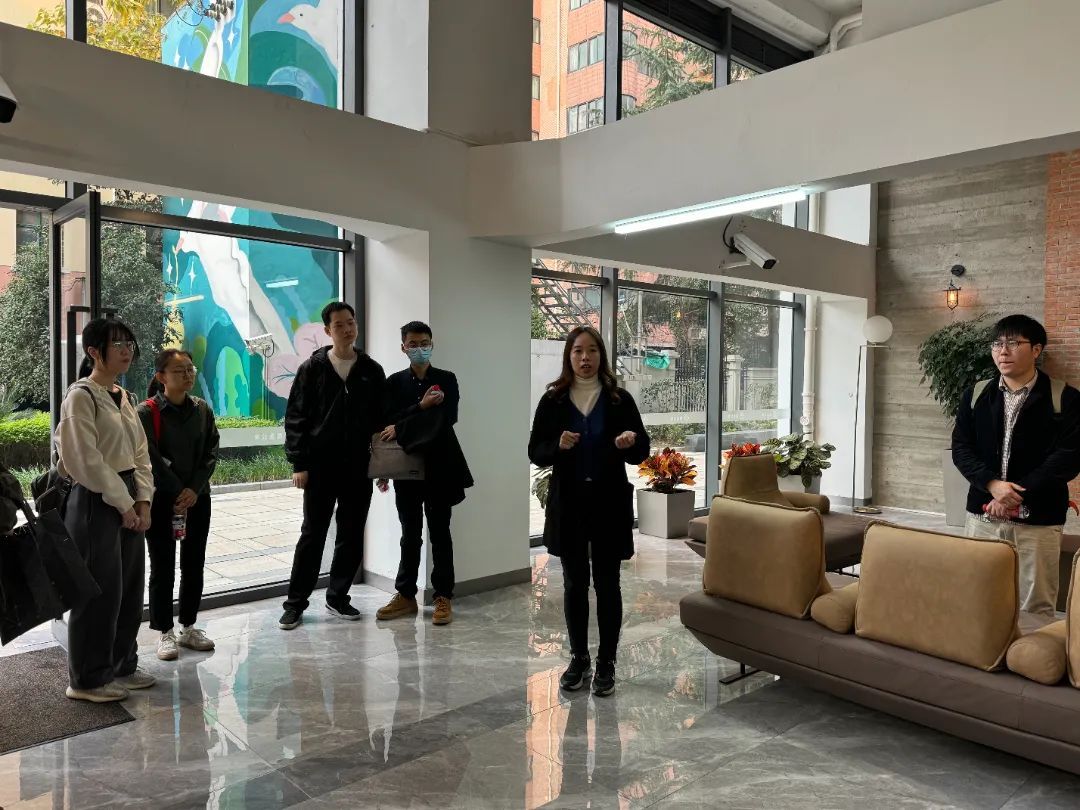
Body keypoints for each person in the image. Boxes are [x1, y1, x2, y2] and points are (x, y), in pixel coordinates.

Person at [528, 326, 649, 696]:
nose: (585, 357)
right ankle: (579, 657)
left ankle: (607, 661)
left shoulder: (618, 399)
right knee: (574, 583)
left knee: (608, 583)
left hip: (609, 502)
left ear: (601, 356)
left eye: (592, 350)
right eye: (578, 350)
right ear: (569, 356)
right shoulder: (553, 400)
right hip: (570, 503)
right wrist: (557, 445)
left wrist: (630, 442)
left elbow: (641, 449)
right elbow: (535, 451)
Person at [952, 314, 1080, 617]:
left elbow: (1069, 456)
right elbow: (962, 448)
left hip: (1038, 518)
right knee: (977, 594)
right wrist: (992, 486)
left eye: (1013, 343)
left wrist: (1014, 494)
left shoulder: (1065, 398)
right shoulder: (976, 395)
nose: (1003, 351)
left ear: (1036, 350)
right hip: (983, 515)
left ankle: (1031, 650)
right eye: (997, 344)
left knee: (1035, 603)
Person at [56, 317, 156, 702]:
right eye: (118, 344)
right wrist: (125, 503)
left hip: (127, 494)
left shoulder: (123, 396)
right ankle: (87, 679)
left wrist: (143, 501)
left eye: (129, 343)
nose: (127, 350)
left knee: (129, 587)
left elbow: (140, 453)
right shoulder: (81, 396)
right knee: (99, 591)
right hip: (95, 498)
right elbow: (85, 460)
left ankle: (121, 665)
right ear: (94, 352)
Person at [280, 302, 386, 630]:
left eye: (350, 322)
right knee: (312, 535)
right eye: (339, 325)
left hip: (358, 466)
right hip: (320, 466)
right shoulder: (312, 369)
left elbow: (381, 420)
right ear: (328, 330)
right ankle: (295, 604)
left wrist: (383, 466)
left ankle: (338, 597)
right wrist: (299, 463)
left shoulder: (371, 370)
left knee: (351, 534)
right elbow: (295, 417)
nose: (347, 329)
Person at [375, 321, 473, 626]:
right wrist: (420, 407)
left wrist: (403, 427)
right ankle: (405, 595)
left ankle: (443, 596)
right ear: (403, 347)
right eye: (413, 344)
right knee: (410, 534)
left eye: (425, 343)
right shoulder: (394, 383)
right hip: (406, 469)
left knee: (441, 533)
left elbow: (446, 419)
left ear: (432, 344)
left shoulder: (447, 379)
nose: (420, 349)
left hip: (441, 467)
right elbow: (387, 422)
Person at [137, 349, 220, 661]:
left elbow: (211, 451)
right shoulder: (147, 412)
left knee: (194, 563)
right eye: (178, 370)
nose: (187, 375)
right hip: (162, 501)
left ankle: (189, 627)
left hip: (198, 499)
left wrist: (193, 489)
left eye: (190, 369)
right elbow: (150, 458)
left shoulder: (201, 409)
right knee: (162, 567)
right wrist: (177, 491)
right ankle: (164, 631)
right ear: (161, 377)